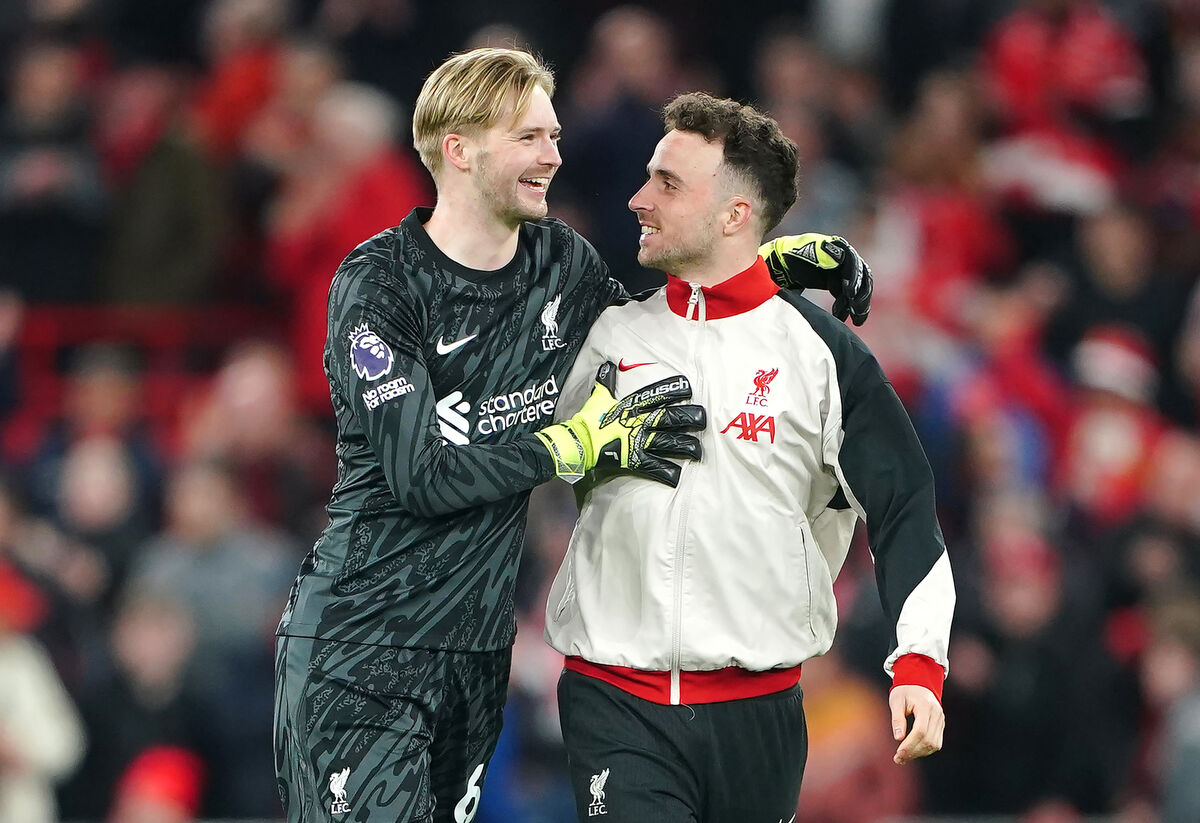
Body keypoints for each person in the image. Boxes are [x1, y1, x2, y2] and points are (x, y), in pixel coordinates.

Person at [273, 48, 871, 823]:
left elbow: (657, 335)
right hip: (366, 643)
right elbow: (420, 475)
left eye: (554, 135)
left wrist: (767, 265)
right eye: (529, 137)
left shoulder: (559, 263)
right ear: (459, 150)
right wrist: (573, 447)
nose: (554, 155)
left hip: (473, 653)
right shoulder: (380, 283)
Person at [545, 92, 954, 823]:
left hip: (761, 713)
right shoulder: (604, 334)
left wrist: (919, 661)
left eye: (668, 183)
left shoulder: (824, 356)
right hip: (613, 699)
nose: (639, 199)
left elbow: (905, 506)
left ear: (735, 214)